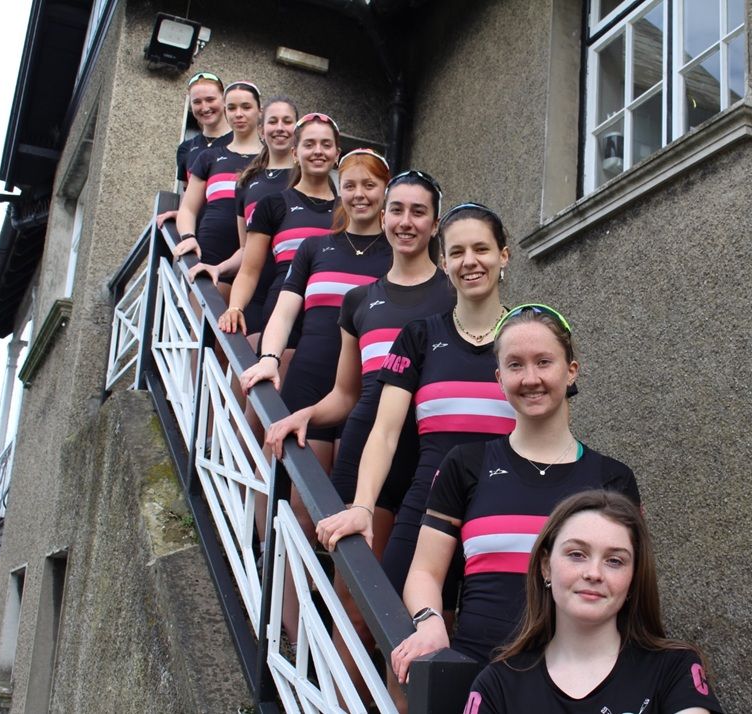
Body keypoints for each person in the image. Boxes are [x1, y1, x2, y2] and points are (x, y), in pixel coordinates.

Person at [266, 170, 454, 701]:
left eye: (418, 212)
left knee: (414, 606)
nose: (405, 222)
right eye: (397, 210)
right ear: (384, 216)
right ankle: (320, 699)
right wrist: (305, 414)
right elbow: (348, 393)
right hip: (363, 453)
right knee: (356, 599)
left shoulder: (452, 292)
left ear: (435, 223)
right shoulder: (360, 300)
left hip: (428, 459)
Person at [391, 304, 641, 689]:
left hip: (581, 684)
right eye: (515, 365)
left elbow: (632, 589)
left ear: (571, 370)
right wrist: (430, 621)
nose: (531, 379)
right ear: (499, 377)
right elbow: (424, 571)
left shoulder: (613, 479)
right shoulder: (465, 464)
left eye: (544, 362)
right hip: (478, 679)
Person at [316, 203, 515, 611]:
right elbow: (385, 432)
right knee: (394, 625)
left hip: (505, 506)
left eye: (482, 249)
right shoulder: (419, 336)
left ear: (504, 256)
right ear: (444, 262)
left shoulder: (529, 334)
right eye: (457, 252)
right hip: (427, 505)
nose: (470, 261)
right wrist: (362, 507)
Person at [464, 490, 723, 713]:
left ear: (634, 578)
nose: (594, 573)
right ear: (546, 567)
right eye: (577, 554)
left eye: (615, 561)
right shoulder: (497, 685)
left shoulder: (674, 669)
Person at [240, 149, 393, 473]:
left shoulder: (399, 254)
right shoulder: (314, 247)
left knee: (340, 497)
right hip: (311, 377)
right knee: (294, 495)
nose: (359, 194)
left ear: (385, 189)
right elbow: (284, 312)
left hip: (369, 390)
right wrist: (269, 359)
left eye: (369, 185)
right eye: (350, 186)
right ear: (340, 190)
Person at [217, 112, 341, 361]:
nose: (318, 151)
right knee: (273, 392)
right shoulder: (272, 204)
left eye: (326, 145)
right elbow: (250, 269)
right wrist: (235, 307)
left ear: (337, 154)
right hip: (283, 312)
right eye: (309, 144)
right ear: (295, 153)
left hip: (332, 314)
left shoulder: (347, 210)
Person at [190, 96, 298, 338]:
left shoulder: (307, 178)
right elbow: (244, 249)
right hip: (255, 290)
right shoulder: (247, 182)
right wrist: (218, 268)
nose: (280, 127)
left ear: (296, 129)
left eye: (287, 121)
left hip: (294, 289)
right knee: (242, 364)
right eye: (273, 121)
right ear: (261, 129)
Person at [174, 81, 262, 301]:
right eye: (232, 108)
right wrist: (188, 237)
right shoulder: (208, 157)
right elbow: (188, 208)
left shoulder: (271, 159)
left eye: (246, 107)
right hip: (211, 252)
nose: (238, 114)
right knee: (205, 331)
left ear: (260, 111)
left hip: (258, 261)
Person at [156, 71, 232, 229]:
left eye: (210, 99)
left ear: (224, 100)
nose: (204, 107)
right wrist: (181, 215)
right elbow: (189, 198)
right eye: (197, 102)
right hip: (198, 237)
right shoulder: (186, 148)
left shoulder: (241, 141)